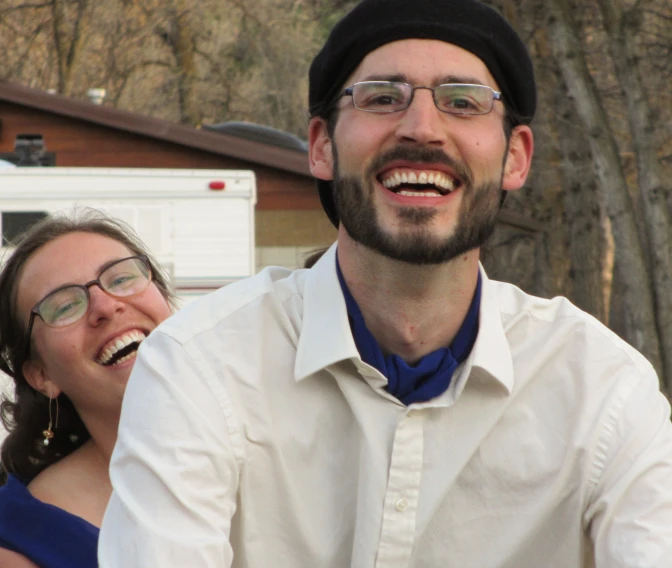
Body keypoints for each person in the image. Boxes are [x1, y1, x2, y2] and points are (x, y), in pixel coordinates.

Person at [99, 0, 672, 566]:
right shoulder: (199, 366)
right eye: (381, 97)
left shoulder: (603, 392)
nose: (422, 128)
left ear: (515, 158)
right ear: (321, 146)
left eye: (462, 102)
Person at [0, 211, 174, 568]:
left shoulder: (274, 430)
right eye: (65, 305)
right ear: (42, 375)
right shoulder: (25, 544)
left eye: (122, 277)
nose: (105, 305)